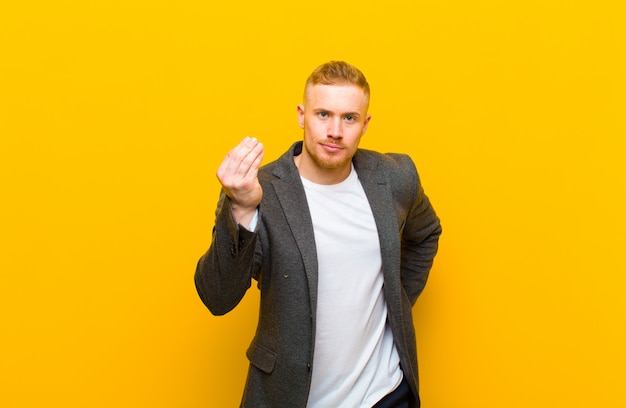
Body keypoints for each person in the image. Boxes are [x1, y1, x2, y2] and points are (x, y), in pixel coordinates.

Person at [195, 61, 442, 408]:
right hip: (295, 398)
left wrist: (396, 302)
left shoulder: (395, 178)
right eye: (323, 114)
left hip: (386, 394)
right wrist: (242, 210)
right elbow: (217, 297)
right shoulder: (258, 190)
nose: (335, 131)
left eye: (349, 118)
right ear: (301, 115)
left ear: (365, 124)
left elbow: (426, 233)